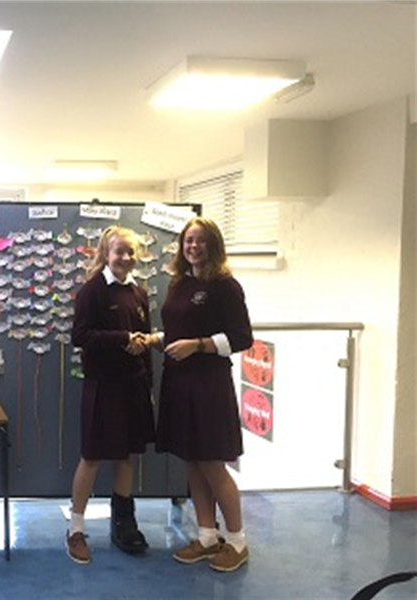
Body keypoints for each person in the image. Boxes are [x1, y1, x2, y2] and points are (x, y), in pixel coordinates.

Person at [152, 216, 254, 572]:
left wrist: (198, 345)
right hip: (178, 381)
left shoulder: (225, 286)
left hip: (208, 384)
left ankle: (237, 541)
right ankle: (208, 537)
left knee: (212, 462)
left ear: (214, 245)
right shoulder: (179, 284)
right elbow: (178, 330)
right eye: (188, 240)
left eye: (200, 240)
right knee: (192, 461)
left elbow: (241, 338)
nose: (193, 246)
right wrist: (156, 340)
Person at [66, 225, 157, 565]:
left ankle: (124, 523)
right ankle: (75, 530)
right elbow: (80, 336)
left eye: (131, 252)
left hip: (133, 386)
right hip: (102, 385)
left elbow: (144, 339)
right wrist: (122, 339)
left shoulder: (139, 293)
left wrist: (147, 383)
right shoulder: (92, 291)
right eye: (120, 251)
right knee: (91, 456)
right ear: (106, 254)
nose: (126, 257)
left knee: (125, 456)